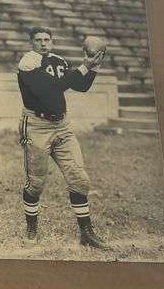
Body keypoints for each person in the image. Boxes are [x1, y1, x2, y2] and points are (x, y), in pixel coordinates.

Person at [17, 26, 110, 249]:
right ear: (31, 42)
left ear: (52, 41)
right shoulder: (28, 61)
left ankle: (86, 233)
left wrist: (93, 68)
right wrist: (84, 66)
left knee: (80, 179)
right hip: (37, 127)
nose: (43, 43)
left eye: (47, 39)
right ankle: (32, 227)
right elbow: (50, 89)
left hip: (62, 126)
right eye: (38, 39)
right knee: (36, 184)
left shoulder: (58, 60)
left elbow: (80, 86)